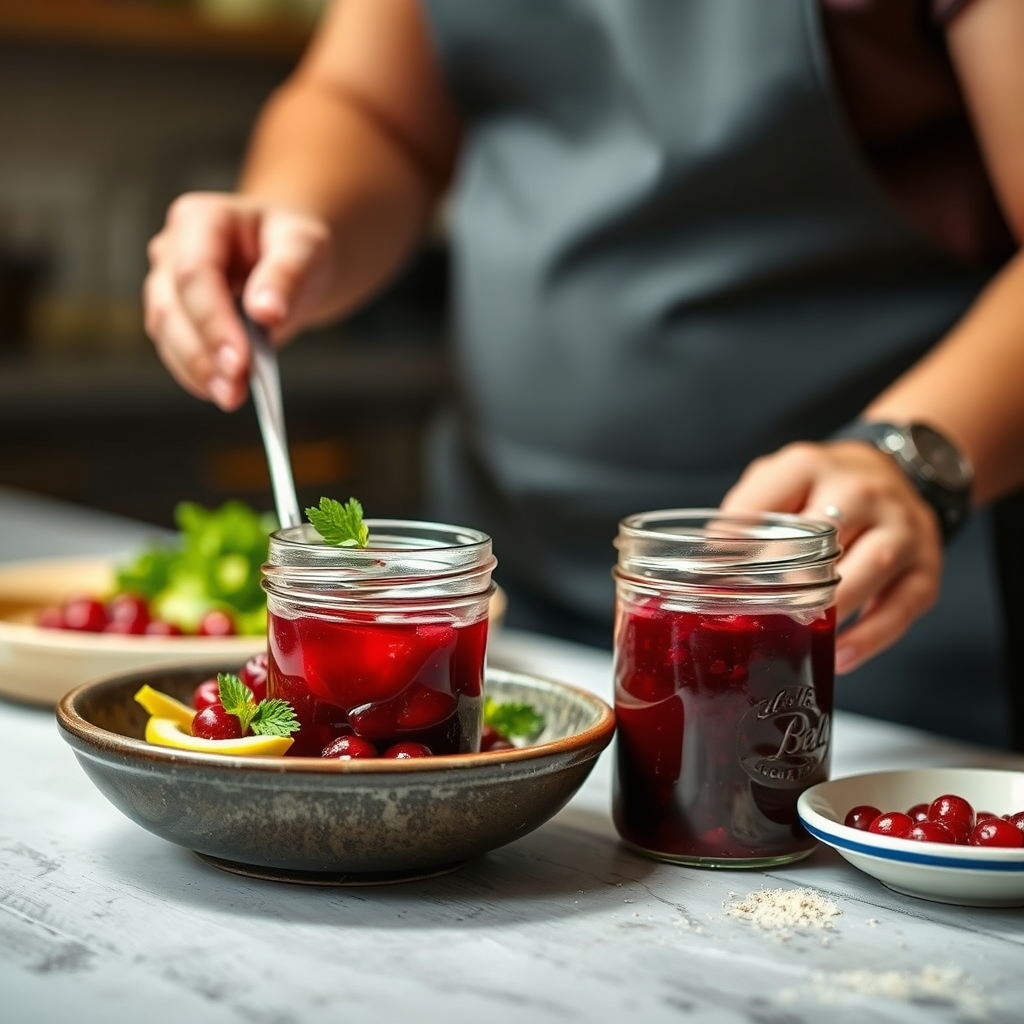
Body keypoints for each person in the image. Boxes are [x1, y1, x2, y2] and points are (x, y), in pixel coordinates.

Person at [143, 0, 1024, 748]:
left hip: (852, 629)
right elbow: (371, 106)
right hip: (511, 595)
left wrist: (907, 459)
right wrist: (293, 223)